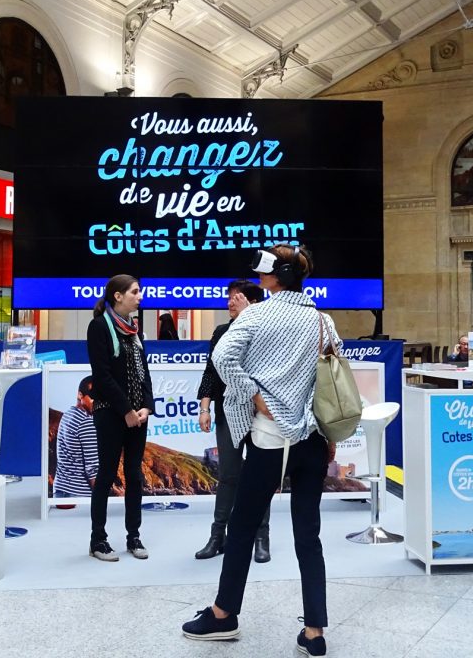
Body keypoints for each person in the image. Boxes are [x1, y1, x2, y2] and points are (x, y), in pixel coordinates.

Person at [182, 244, 332, 658]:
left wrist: (254, 395)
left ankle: (223, 614)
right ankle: (315, 632)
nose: (259, 274)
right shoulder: (322, 320)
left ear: (274, 276)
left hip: (269, 439)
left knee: (243, 527)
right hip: (313, 440)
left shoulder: (255, 315)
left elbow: (222, 356)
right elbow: (333, 373)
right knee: (309, 534)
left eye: (265, 269)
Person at [194, 279, 268, 563]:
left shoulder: (264, 330)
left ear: (251, 302)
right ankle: (217, 536)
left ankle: (262, 537)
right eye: (228, 298)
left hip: (261, 413)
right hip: (227, 412)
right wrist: (205, 408)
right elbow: (211, 372)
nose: (228, 303)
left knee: (261, 475)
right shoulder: (222, 331)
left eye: (235, 299)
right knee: (228, 475)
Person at [87, 274, 152, 562]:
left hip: (138, 417)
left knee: (135, 476)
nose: (140, 296)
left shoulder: (135, 330)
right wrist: (125, 410)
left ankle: (133, 536)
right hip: (111, 414)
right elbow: (101, 376)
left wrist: (146, 407)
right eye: (135, 292)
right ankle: (98, 540)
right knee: (106, 475)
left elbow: (144, 374)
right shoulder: (99, 326)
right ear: (118, 295)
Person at [53, 376, 100, 497]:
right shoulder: (86, 422)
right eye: (93, 397)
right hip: (80, 495)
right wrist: (101, 498)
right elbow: (92, 469)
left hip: (61, 490)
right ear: (80, 395)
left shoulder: (68, 415)